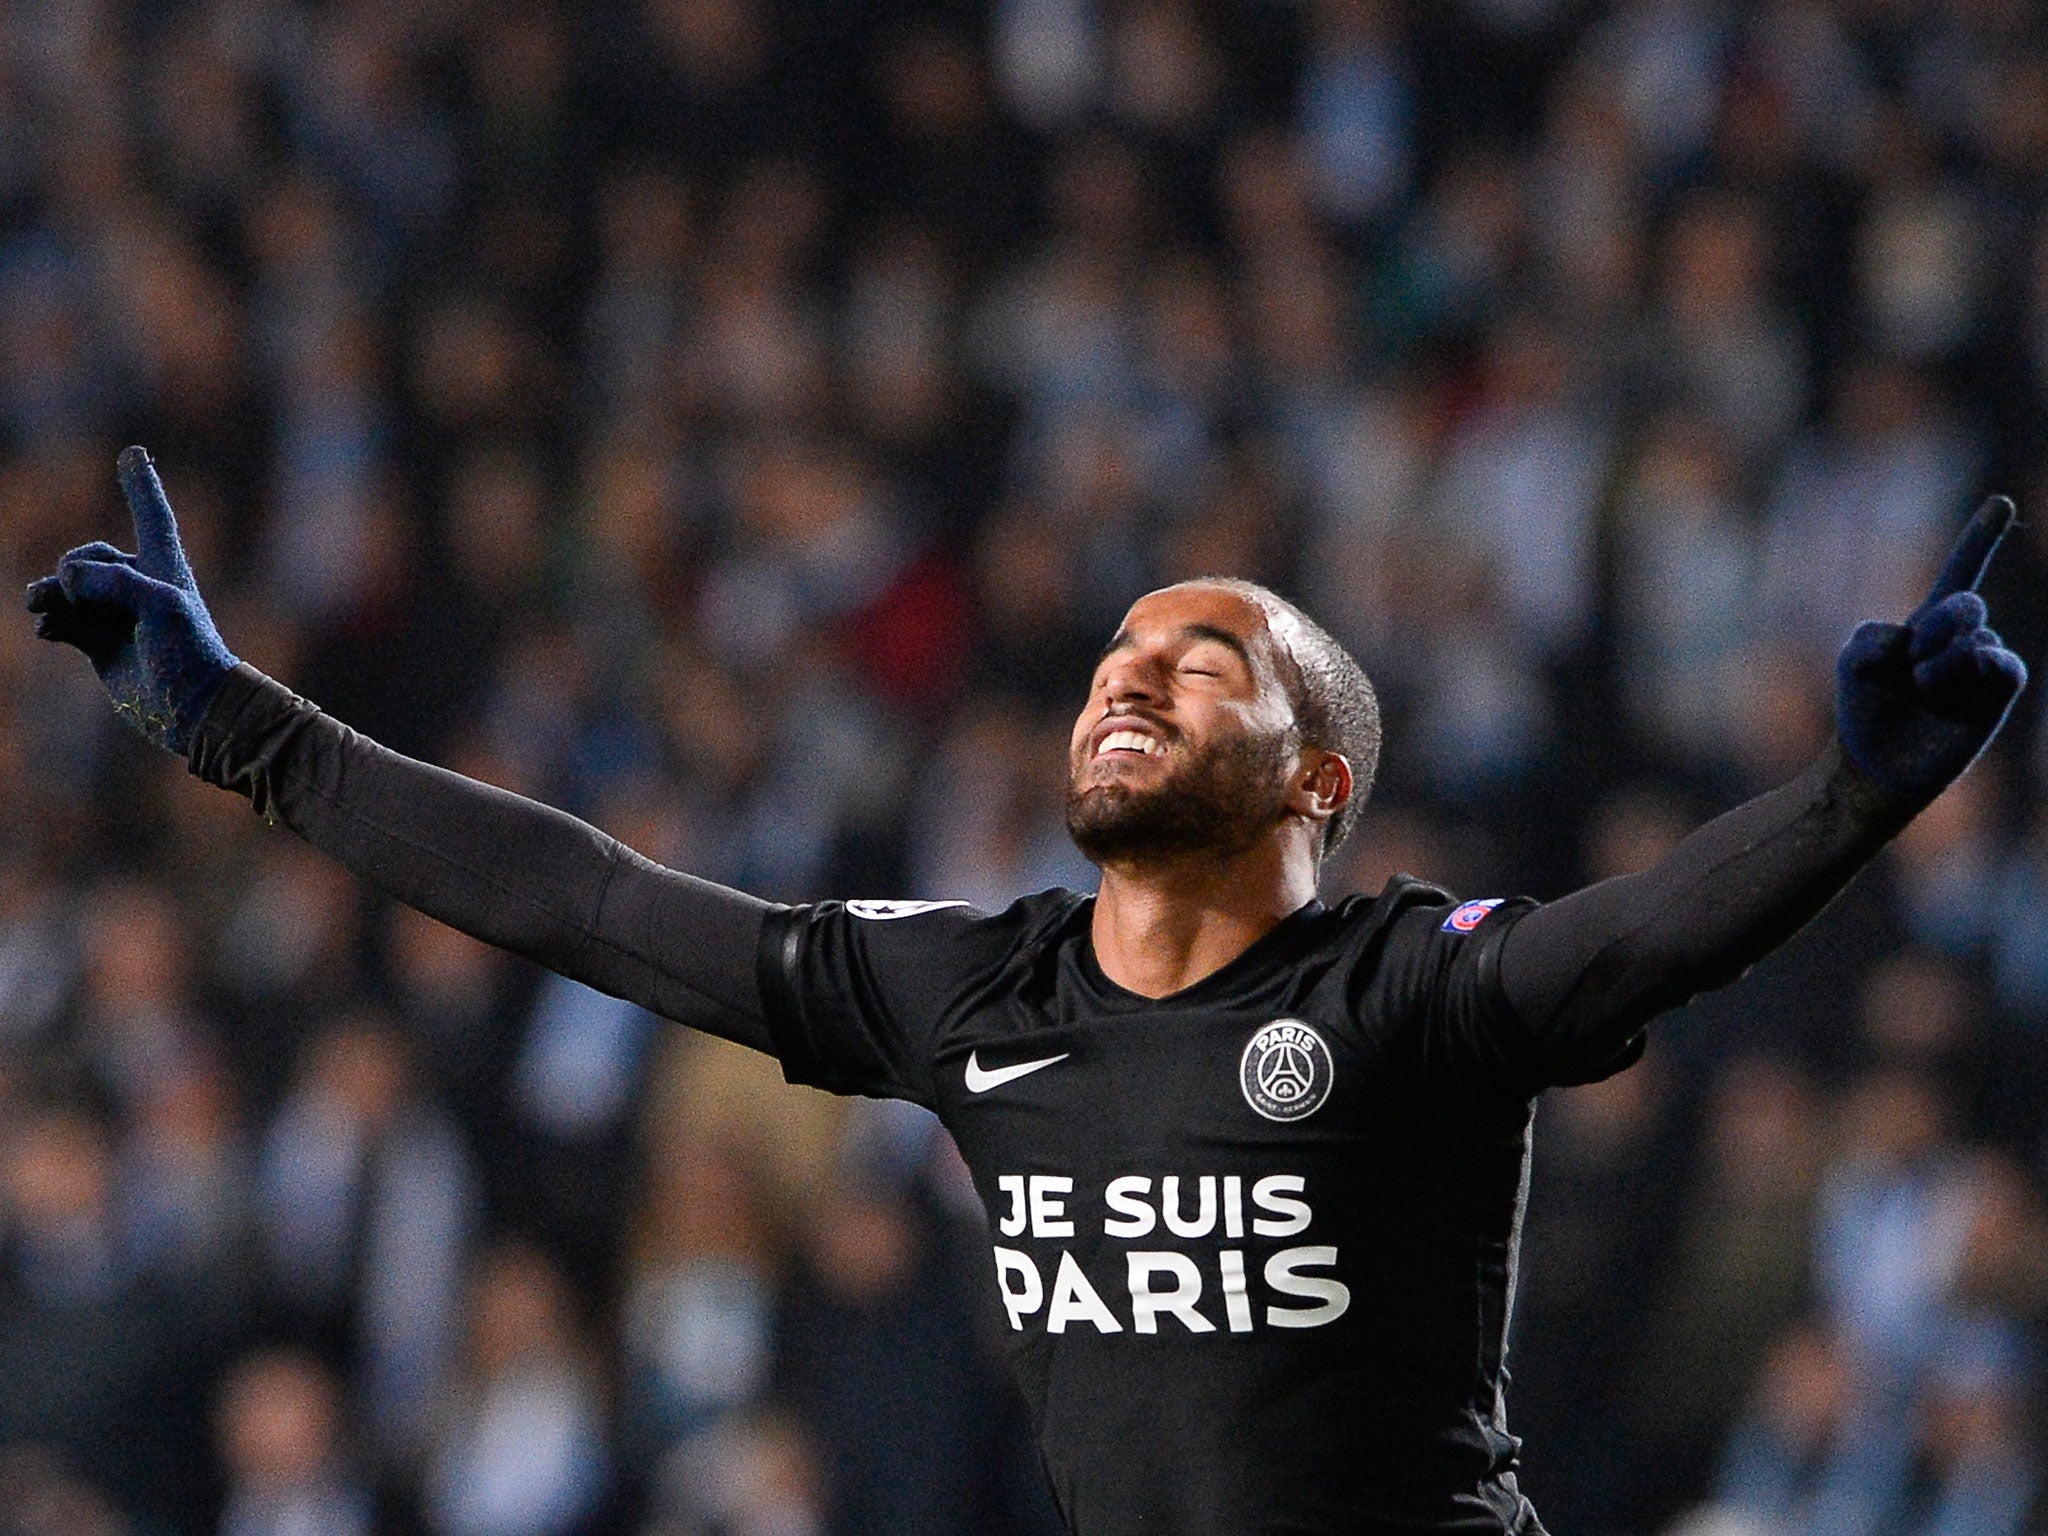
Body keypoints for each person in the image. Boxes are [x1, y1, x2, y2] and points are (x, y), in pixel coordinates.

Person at [26, 447, 2028, 1535]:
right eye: (1113, 659)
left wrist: (1852, 795)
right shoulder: (973, 988)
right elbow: (593, 900)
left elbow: (1639, 931)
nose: (1129, 676)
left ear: (1319, 784)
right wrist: (243, 732)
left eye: (1203, 661)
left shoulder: (1404, 983)